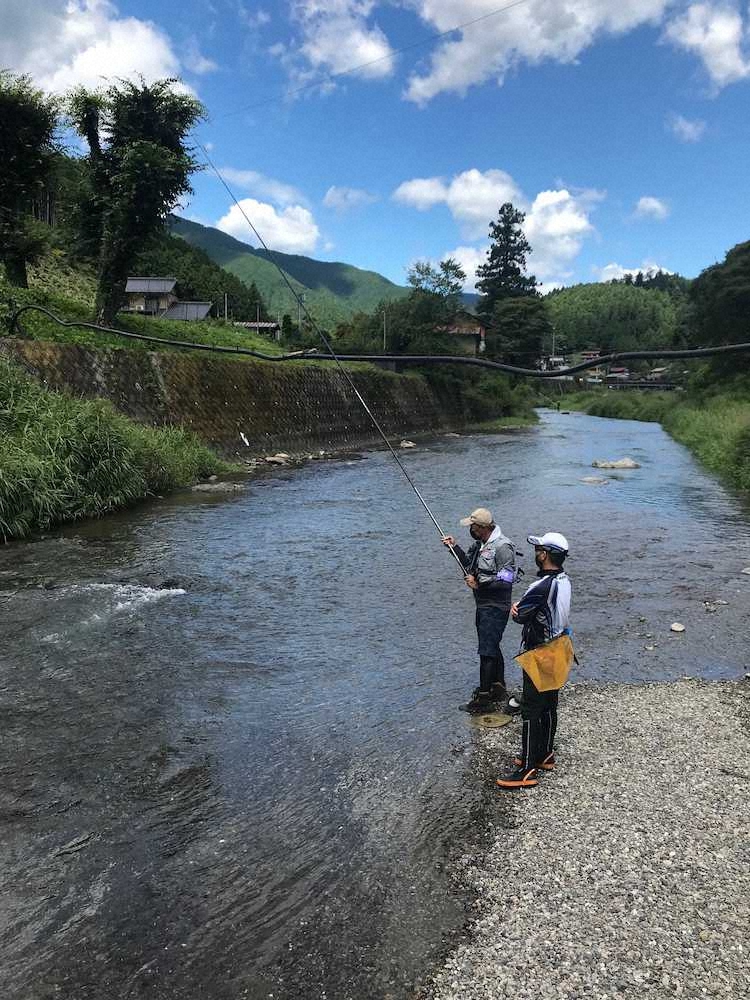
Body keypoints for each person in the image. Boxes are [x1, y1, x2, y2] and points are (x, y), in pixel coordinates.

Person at [496, 531, 571, 790]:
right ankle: (545, 754)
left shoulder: (541, 586)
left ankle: (526, 769)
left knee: (530, 709)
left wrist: (515, 608)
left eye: (538, 549)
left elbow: (520, 615)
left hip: (540, 652)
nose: (535, 552)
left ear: (545, 555)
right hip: (560, 648)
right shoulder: (564, 580)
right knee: (549, 704)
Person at [442, 508, 517, 714]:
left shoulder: (503, 547)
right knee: (492, 645)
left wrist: (479, 584)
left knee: (486, 650)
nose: (471, 530)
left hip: (496, 606)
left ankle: (483, 699)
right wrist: (454, 547)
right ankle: (498, 687)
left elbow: (507, 579)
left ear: (483, 527)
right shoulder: (479, 545)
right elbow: (468, 565)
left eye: (472, 526)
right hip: (483, 604)